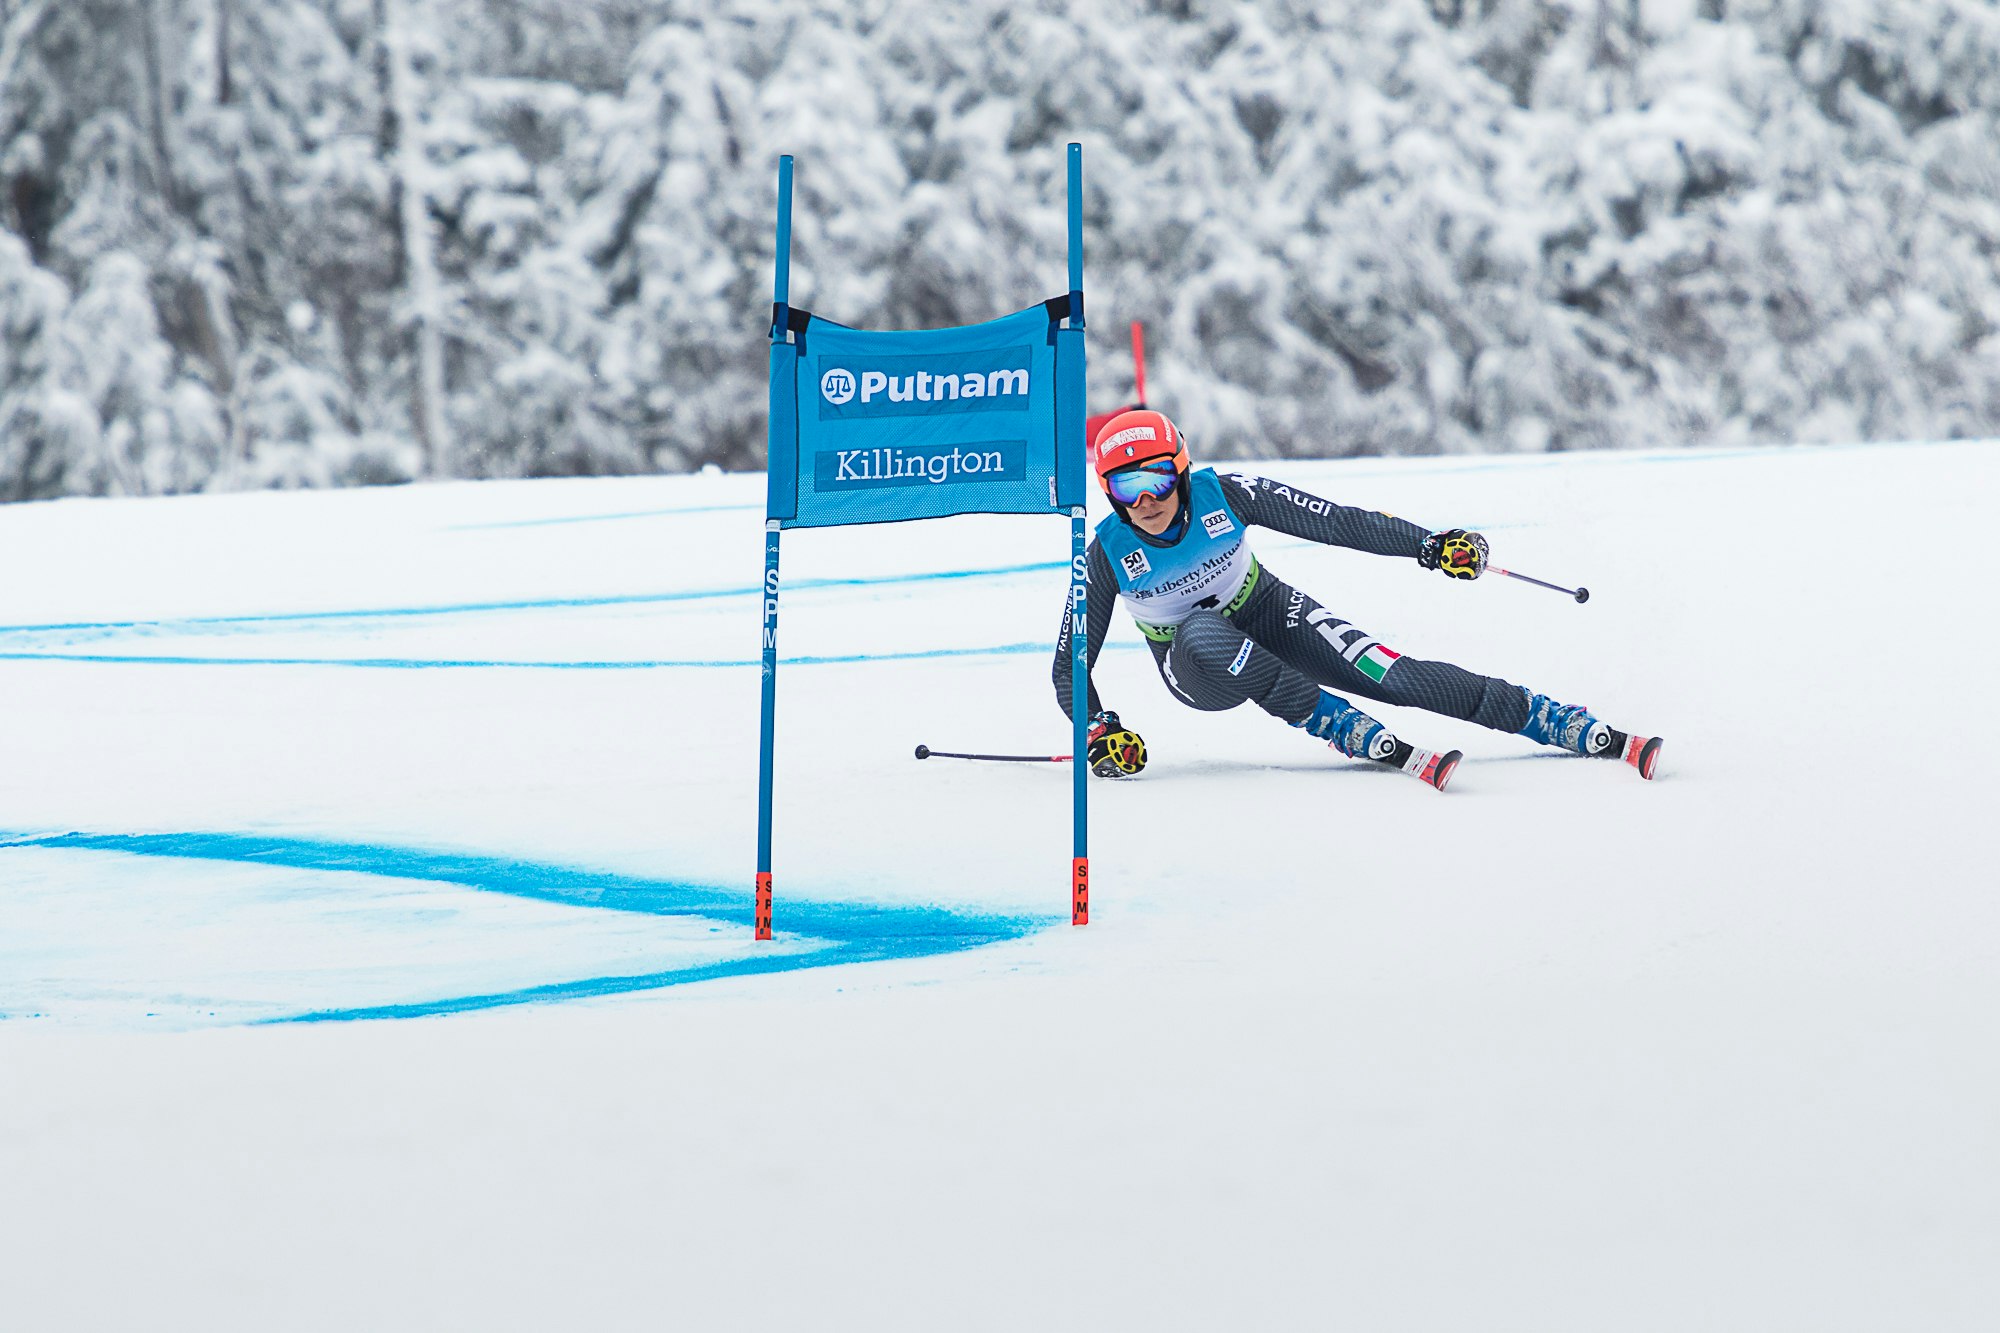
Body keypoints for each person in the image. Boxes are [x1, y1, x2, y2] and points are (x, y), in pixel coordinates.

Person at [1052, 409, 1662, 790]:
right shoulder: (1103, 553)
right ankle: (1339, 725)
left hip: (1270, 608)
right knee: (1204, 631)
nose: (1145, 500)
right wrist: (1097, 728)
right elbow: (1068, 664)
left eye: (1156, 478)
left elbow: (1338, 522)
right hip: (1198, 669)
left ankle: (1552, 720)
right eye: (1125, 487)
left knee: (1395, 674)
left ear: (1181, 473)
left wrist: (1428, 545)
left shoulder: (1229, 494)